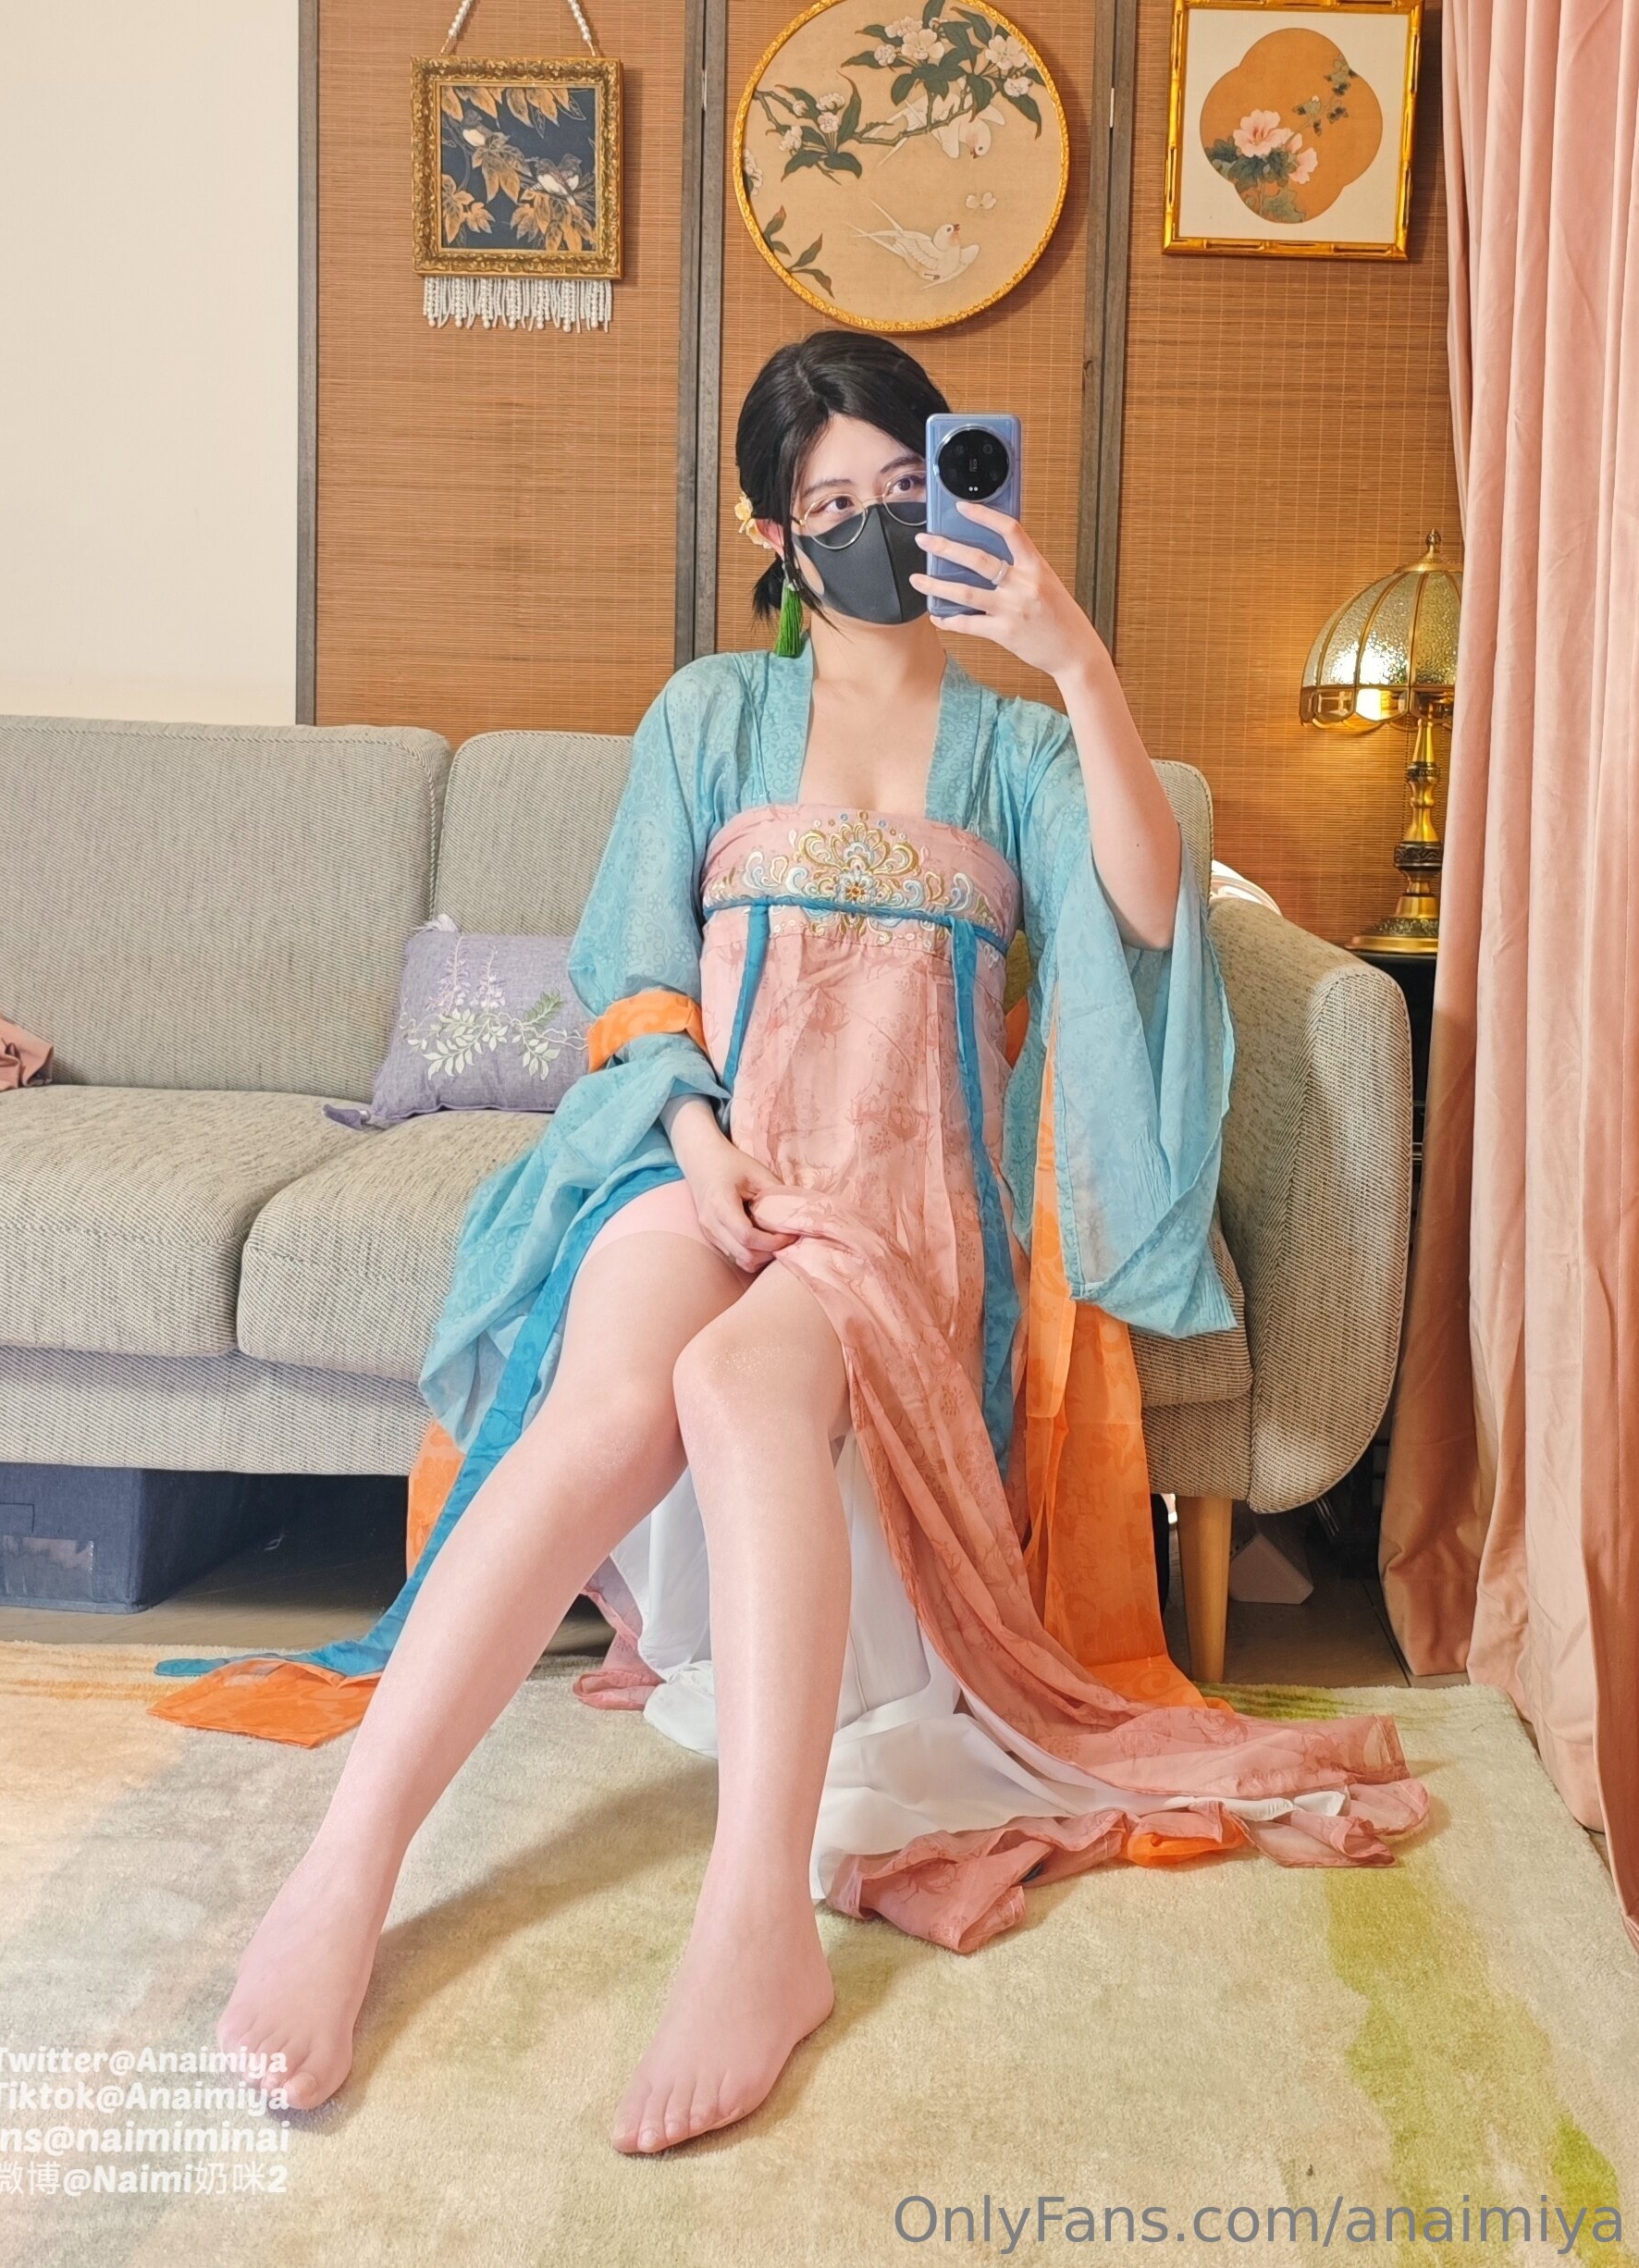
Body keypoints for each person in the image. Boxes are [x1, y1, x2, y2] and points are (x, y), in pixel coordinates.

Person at [203, 330, 1427, 2153]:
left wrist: (1073, 652)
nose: (866, 528)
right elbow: (628, 972)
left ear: (958, 497)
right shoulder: (709, 713)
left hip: (902, 1203)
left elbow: (1148, 908)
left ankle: (753, 1921)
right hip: (704, 1162)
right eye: (827, 502)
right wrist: (697, 1149)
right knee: (610, 1403)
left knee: (736, 1385)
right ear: (773, 532)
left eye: (899, 491)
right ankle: (345, 1872)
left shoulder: (1019, 746)